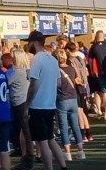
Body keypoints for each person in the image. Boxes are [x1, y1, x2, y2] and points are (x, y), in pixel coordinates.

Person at [26, 30, 65, 170]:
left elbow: (34, 84)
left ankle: (49, 167)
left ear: (34, 42)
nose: (28, 45)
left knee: (42, 142)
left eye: (29, 42)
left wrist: (27, 104)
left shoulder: (36, 59)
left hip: (38, 105)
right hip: (50, 104)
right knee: (50, 139)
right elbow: (59, 83)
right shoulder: (52, 60)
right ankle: (63, 166)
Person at [55, 50, 84, 162]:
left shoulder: (56, 70)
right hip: (73, 98)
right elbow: (78, 80)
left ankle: (68, 153)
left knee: (63, 127)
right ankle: (81, 151)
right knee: (75, 126)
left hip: (62, 99)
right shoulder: (71, 68)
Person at [8, 48, 32, 170]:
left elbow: (6, 82)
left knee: (25, 132)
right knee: (24, 132)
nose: (11, 59)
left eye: (13, 57)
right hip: (23, 102)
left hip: (19, 103)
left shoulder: (17, 72)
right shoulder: (26, 71)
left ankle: (28, 158)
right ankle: (27, 156)